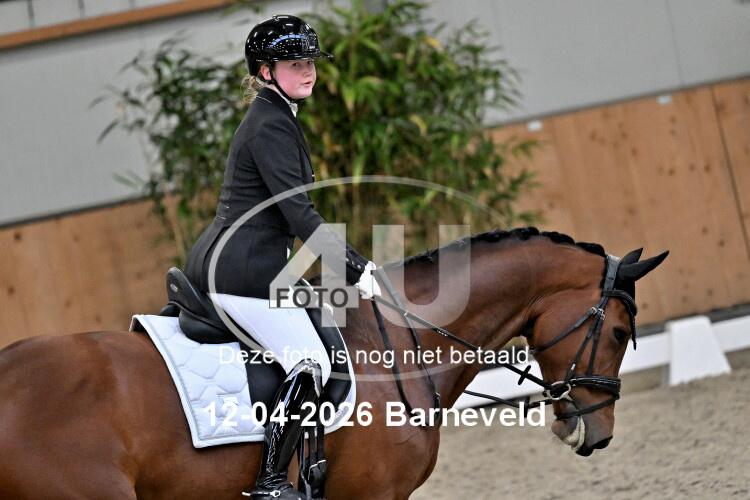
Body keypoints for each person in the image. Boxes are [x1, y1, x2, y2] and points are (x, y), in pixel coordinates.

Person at [184, 14, 381, 500]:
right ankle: (271, 481)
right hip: (243, 272)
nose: (308, 71)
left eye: (310, 61)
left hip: (249, 261)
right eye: (295, 64)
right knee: (310, 361)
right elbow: (299, 214)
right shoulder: (269, 125)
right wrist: (355, 267)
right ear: (265, 71)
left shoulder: (276, 115)